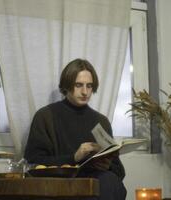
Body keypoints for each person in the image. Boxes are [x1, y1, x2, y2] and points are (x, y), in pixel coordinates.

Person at [24, 58, 126, 200]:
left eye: (89, 86)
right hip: (58, 185)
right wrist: (73, 158)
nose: (85, 92)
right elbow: (33, 163)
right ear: (66, 85)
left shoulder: (101, 121)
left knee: (110, 181)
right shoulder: (45, 116)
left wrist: (107, 165)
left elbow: (119, 172)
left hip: (97, 184)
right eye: (79, 85)